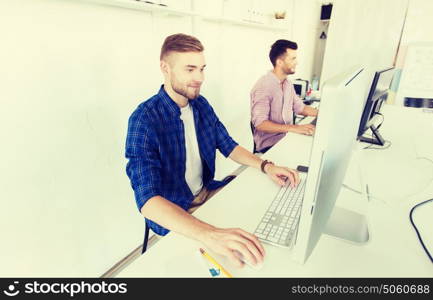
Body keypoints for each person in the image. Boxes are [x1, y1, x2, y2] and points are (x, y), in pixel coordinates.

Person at [125, 33, 300, 268]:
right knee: (233, 260)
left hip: (207, 193)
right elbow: (148, 200)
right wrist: (211, 234)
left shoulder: (200, 105)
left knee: (263, 219)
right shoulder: (144, 119)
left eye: (202, 69)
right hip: (177, 210)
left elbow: (227, 144)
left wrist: (266, 165)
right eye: (190, 69)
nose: (199, 78)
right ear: (165, 68)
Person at [250, 39, 319, 154]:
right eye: (293, 59)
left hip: (286, 138)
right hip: (270, 147)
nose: (297, 62)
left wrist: (324, 114)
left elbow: (300, 108)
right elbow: (260, 124)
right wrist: (293, 128)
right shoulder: (263, 87)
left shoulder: (287, 84)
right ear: (280, 62)